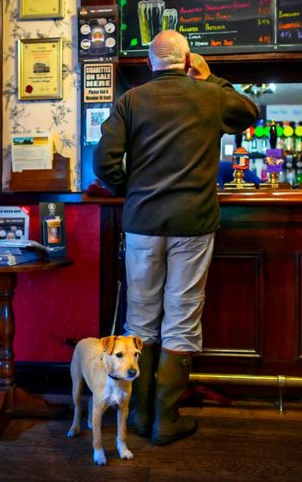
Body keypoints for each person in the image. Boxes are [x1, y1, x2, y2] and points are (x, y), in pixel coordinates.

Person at [92, 30, 258, 445]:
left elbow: (104, 163)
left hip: (142, 221)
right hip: (193, 222)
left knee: (140, 318)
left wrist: (129, 190)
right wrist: (210, 78)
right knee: (182, 318)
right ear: (188, 62)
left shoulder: (130, 100)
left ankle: (137, 415)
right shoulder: (210, 95)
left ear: (150, 63)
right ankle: (165, 420)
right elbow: (251, 112)